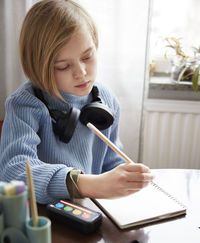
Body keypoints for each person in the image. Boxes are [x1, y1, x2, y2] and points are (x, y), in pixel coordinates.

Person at [0, 0, 154, 204]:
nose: (81, 73)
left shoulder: (105, 99)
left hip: (89, 211)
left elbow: (109, 161)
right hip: (46, 218)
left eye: (87, 57)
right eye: (63, 66)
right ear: (39, 67)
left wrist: (128, 178)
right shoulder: (24, 105)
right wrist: (84, 184)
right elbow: (14, 172)